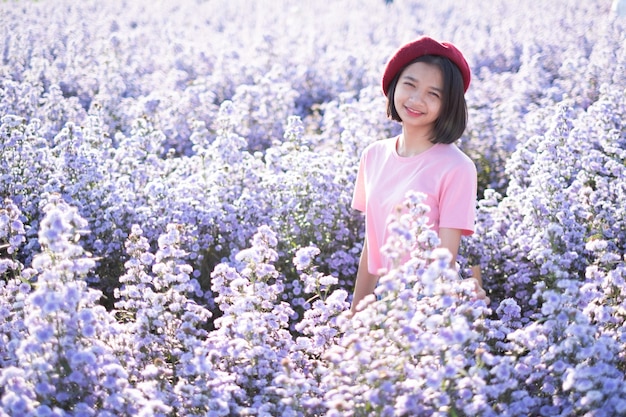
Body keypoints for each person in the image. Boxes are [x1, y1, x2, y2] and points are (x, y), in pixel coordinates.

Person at [350, 35, 487, 314]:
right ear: (394, 86)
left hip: (429, 310)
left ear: (448, 105)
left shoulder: (457, 167)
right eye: (409, 85)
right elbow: (372, 246)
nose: (416, 99)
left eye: (433, 94)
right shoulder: (373, 155)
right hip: (384, 305)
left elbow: (444, 262)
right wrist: (355, 314)